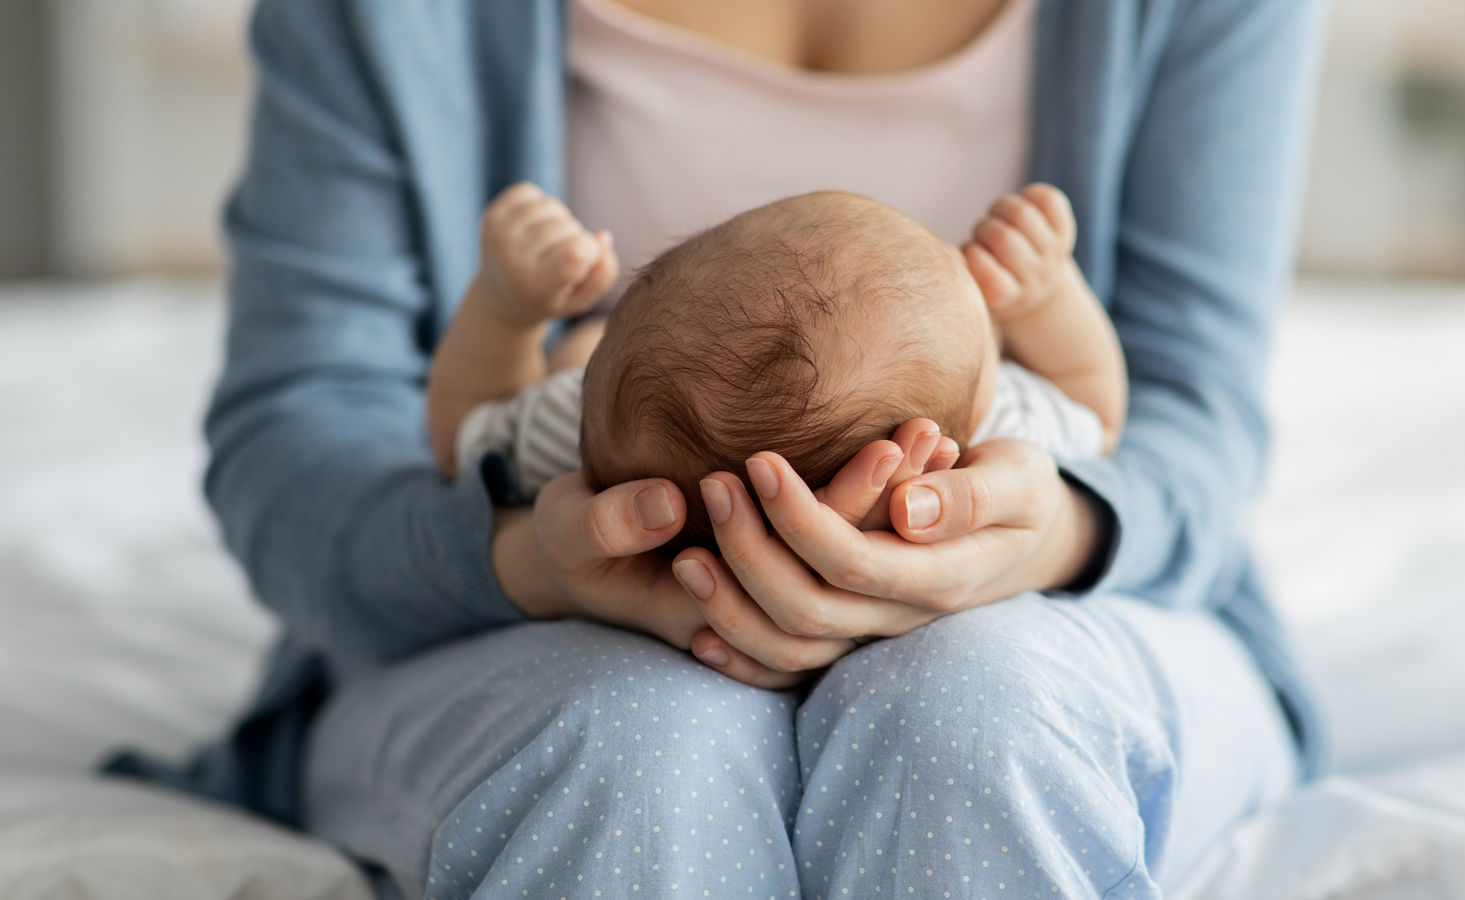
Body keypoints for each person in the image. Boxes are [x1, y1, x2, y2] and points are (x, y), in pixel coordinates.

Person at [117, 0, 1327, 895]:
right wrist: (530, 563)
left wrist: (1050, 530)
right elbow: (306, 440)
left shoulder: (569, 409)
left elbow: (1180, 416)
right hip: (544, 624)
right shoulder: (571, 424)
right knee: (636, 742)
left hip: (1052, 613)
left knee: (980, 708)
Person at [426, 187, 1124, 549]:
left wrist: (507, 309)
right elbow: (1096, 408)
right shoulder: (996, 444)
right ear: (960, 429)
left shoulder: (576, 441)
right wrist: (1046, 296)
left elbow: (462, 434)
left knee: (578, 352)